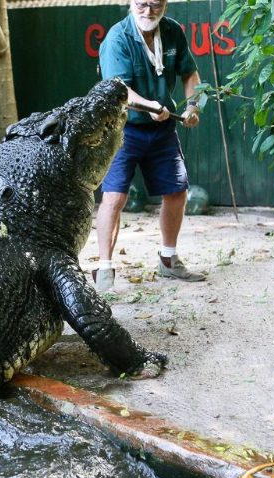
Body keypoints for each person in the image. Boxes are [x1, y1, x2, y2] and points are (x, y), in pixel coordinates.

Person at [93, 0, 206, 292]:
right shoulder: (118, 38)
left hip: (162, 128)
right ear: (131, 3)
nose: (148, 11)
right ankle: (104, 270)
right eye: (142, 4)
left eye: (155, 4)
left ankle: (168, 260)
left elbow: (190, 74)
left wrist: (192, 106)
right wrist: (150, 106)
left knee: (177, 191)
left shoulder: (172, 32)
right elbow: (120, 90)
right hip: (123, 128)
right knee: (114, 197)